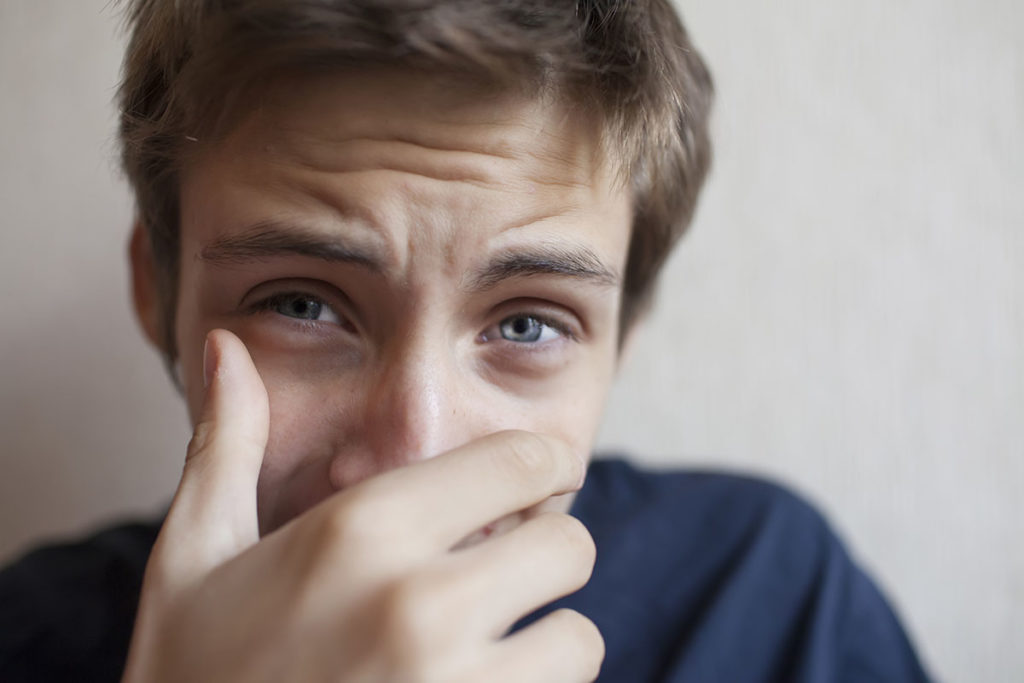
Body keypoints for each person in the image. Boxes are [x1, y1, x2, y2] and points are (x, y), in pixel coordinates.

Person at [0, 1, 932, 681]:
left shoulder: (769, 603)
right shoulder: (26, 636)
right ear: (156, 294)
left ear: (624, 340)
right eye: (301, 304)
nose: (411, 454)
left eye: (527, 324)